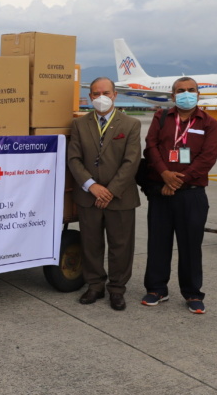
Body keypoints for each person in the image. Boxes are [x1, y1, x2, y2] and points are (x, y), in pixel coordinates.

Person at [141, 76, 217, 314]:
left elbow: (208, 157)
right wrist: (164, 173)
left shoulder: (209, 123)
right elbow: (150, 146)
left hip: (191, 195)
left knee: (190, 246)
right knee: (158, 242)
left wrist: (178, 180)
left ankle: (193, 293)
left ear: (198, 93)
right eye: (181, 90)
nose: (186, 93)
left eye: (191, 90)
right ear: (173, 95)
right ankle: (156, 288)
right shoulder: (162, 117)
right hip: (161, 191)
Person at [68, 77, 142, 310]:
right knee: (91, 243)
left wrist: (110, 191)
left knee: (121, 245)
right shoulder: (80, 125)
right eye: (96, 93)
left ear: (114, 95)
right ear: (90, 97)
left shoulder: (130, 124)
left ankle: (117, 289)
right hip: (89, 196)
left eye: (106, 93)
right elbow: (74, 159)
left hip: (120, 196)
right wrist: (92, 186)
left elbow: (131, 162)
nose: (101, 97)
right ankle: (95, 285)